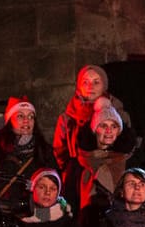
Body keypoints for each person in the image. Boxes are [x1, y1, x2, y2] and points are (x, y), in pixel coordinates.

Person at [52, 64, 128, 202]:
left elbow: (127, 142)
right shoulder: (68, 118)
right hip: (77, 176)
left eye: (96, 82)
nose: (90, 86)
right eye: (85, 82)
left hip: (111, 172)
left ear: (104, 85)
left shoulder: (118, 112)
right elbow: (60, 149)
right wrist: (71, 169)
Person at [0, 98, 56, 212]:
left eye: (31, 116)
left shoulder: (44, 151)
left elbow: (55, 183)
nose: (26, 121)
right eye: (20, 116)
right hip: (2, 214)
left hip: (35, 215)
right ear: (10, 121)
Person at [77, 104, 138, 213]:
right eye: (104, 126)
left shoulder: (129, 161)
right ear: (95, 129)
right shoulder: (80, 162)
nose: (109, 131)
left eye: (114, 126)